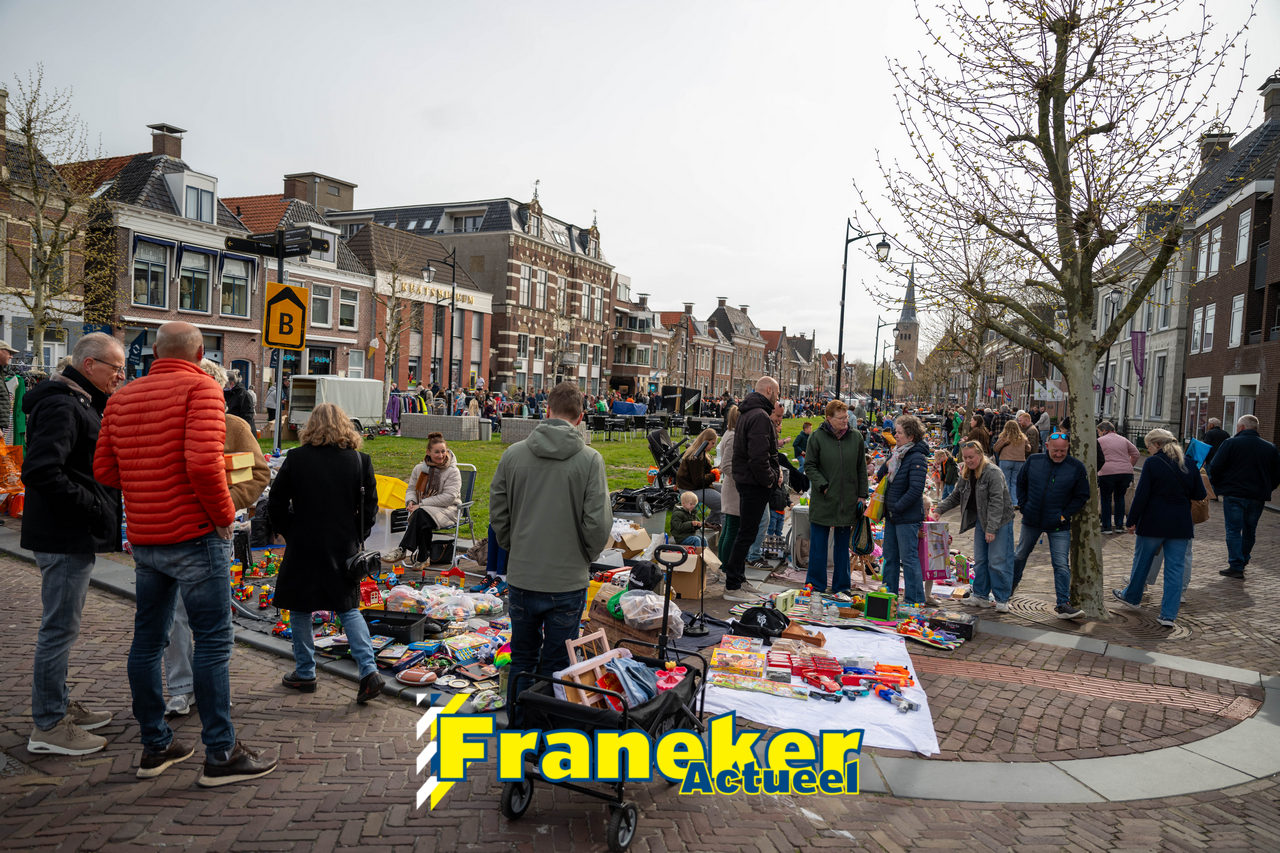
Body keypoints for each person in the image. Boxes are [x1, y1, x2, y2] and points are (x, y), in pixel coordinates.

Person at [94, 321, 277, 786]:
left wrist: (148, 491)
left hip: (148, 538)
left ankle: (155, 745)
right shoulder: (203, 390)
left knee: (148, 640)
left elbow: (105, 470)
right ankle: (221, 753)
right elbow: (200, 463)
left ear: (155, 351)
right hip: (196, 535)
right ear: (199, 354)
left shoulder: (122, 397)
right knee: (213, 642)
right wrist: (220, 516)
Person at [23, 333, 125, 755]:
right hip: (64, 535)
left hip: (68, 532)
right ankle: (48, 724)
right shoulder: (64, 405)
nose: (120, 375)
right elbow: (42, 470)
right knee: (59, 629)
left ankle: (59, 704)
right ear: (89, 366)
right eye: (114, 367)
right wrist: (93, 507)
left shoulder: (77, 401)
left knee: (63, 626)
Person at [491, 382, 612, 724]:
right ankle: (548, 736)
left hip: (524, 576)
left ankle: (518, 734)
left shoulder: (513, 455)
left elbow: (498, 514)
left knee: (522, 659)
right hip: (566, 580)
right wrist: (582, 556)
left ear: (546, 411)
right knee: (557, 664)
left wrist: (516, 547)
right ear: (581, 417)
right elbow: (598, 524)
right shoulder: (590, 460)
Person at [164, 358, 270, 718]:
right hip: (169, 529)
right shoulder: (166, 424)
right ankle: (181, 687)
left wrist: (224, 507)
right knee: (174, 616)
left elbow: (256, 474)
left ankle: (210, 693)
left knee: (209, 620)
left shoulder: (233, 426)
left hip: (213, 531)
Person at [268, 402, 384, 702]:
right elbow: (370, 507)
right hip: (343, 545)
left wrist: (290, 531)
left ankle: (305, 672)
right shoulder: (360, 461)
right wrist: (357, 535)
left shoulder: (297, 458)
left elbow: (276, 502)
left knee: (300, 606)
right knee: (348, 607)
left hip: (304, 542)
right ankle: (369, 671)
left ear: (312, 427)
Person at [1112, 429, 1205, 627]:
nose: (1149, 450)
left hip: (1153, 522)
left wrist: (1131, 520)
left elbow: (1142, 495)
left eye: (1149, 446)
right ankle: (1168, 615)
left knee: (1142, 562)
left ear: (1156, 445)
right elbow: (1199, 493)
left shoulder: (1153, 463)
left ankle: (1132, 597)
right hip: (1180, 524)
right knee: (1175, 570)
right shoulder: (1189, 463)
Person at [1012, 432, 1090, 619]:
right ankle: (1006, 592)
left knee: (1061, 564)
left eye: (1063, 451)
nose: (1059, 454)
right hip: (1032, 519)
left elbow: (1082, 495)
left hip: (1058, 524)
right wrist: (1024, 505)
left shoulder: (1076, 467)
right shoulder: (1034, 461)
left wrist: (1064, 515)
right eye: (1055, 450)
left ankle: (1063, 604)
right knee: (1019, 555)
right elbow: (1020, 483)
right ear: (1047, 446)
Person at [936, 439, 1016, 611]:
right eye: (965, 458)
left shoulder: (993, 472)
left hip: (999, 521)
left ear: (980, 454)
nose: (968, 461)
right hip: (982, 519)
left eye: (971, 457)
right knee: (980, 560)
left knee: (997, 560)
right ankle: (980, 595)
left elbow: (997, 502)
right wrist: (939, 510)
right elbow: (956, 495)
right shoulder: (966, 473)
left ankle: (1002, 599)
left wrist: (992, 529)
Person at [802, 400, 867, 594]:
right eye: (841, 418)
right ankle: (815, 585)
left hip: (847, 499)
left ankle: (841, 586)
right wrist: (822, 485)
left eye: (846, 417)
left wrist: (862, 494)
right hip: (824, 499)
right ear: (829, 418)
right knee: (818, 547)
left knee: (842, 548)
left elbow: (861, 468)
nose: (845, 421)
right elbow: (810, 465)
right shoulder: (817, 437)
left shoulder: (856, 438)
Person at [723, 378, 782, 592]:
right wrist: (770, 479)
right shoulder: (759, 417)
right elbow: (759, 456)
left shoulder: (749, 413)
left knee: (745, 532)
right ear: (768, 390)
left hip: (747, 481)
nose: (778, 397)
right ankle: (733, 583)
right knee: (746, 533)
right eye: (777, 392)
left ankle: (737, 577)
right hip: (754, 483)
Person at [1209, 414, 1280, 579]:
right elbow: (1277, 474)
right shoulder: (1270, 447)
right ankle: (1243, 559)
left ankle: (1236, 564)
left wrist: (1220, 486)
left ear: (1241, 427)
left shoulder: (1231, 443)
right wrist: (1268, 487)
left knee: (1233, 529)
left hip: (1235, 494)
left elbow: (1216, 466)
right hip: (1257, 496)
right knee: (1250, 530)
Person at [380, 433, 461, 567]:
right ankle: (423, 557)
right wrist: (411, 502)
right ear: (428, 452)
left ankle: (403, 549)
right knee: (422, 517)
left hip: (448, 510)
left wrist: (421, 504)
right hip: (424, 510)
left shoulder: (453, 471)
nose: (441, 455)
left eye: (443, 451)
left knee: (421, 514)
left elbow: (449, 498)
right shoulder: (419, 469)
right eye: (437, 452)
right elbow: (411, 489)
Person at [876, 415, 931, 606]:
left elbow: (916, 489)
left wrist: (897, 506)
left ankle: (914, 600)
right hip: (892, 516)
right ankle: (888, 597)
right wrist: (889, 460)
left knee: (908, 559)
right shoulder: (898, 454)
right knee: (890, 557)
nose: (895, 436)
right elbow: (880, 475)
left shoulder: (917, 457)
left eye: (899, 432)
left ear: (911, 436)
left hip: (906, 517)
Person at [1096, 420, 1140, 534]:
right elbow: (1136, 454)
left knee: (1106, 499)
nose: (1098, 434)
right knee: (1120, 498)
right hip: (1125, 473)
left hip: (1106, 472)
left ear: (1104, 431)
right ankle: (1119, 525)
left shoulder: (1099, 441)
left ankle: (1107, 527)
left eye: (1099, 431)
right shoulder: (1123, 439)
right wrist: (1128, 466)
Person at [675, 426, 722, 526]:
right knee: (723, 503)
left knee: (725, 490)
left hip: (694, 486)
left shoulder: (700, 453)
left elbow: (701, 473)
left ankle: (711, 522)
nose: (713, 446)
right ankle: (716, 523)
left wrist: (716, 469)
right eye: (712, 443)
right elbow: (699, 481)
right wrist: (716, 473)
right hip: (690, 490)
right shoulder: (696, 457)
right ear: (705, 441)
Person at [716, 406, 741, 565]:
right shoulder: (732, 436)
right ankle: (725, 565)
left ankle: (723, 563)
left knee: (728, 527)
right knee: (732, 528)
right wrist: (742, 478)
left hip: (732, 487)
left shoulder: (730, 434)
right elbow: (726, 466)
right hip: (734, 488)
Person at [993, 419, 1030, 508]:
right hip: (1019, 461)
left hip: (1006, 460)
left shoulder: (1003, 437)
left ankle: (1007, 502)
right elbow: (1028, 449)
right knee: (1015, 482)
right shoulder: (1023, 437)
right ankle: (1015, 502)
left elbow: (995, 449)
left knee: (1005, 481)